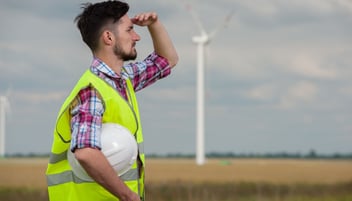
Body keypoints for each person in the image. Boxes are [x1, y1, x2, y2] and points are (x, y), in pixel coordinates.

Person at [46, 1, 178, 201]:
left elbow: (167, 60)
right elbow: (85, 152)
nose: (137, 36)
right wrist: (128, 197)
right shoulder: (92, 91)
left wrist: (154, 24)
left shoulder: (122, 80)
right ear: (108, 37)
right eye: (130, 30)